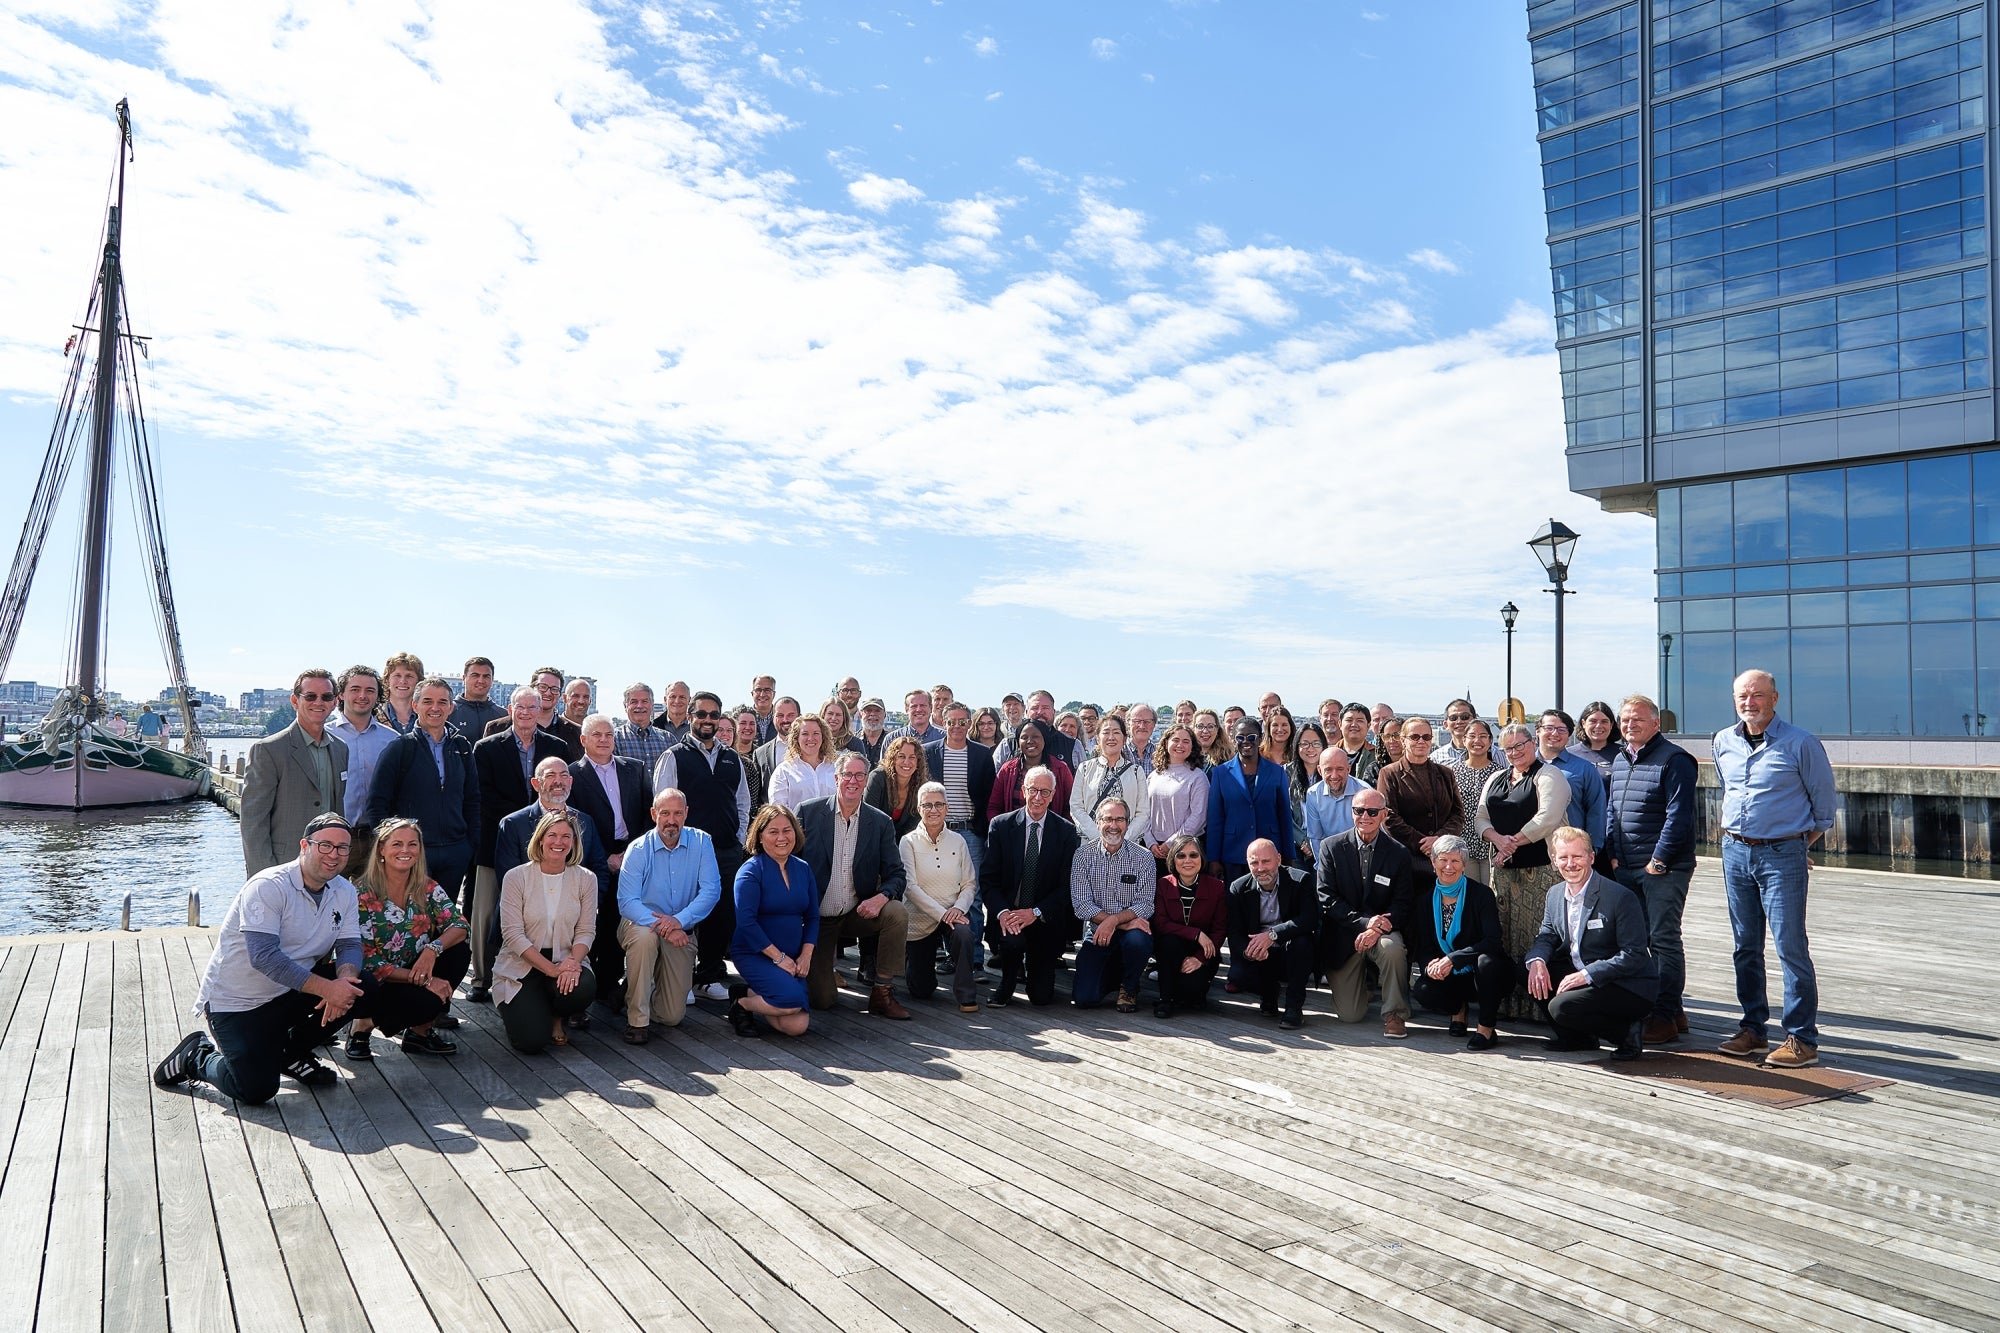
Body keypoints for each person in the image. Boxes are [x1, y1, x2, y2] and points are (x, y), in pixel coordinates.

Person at [155, 814, 375, 1102]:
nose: (334, 854)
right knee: (255, 1089)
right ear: (304, 846)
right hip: (237, 1004)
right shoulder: (268, 886)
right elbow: (264, 957)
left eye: (342, 848)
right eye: (325, 845)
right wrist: (328, 989)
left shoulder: (343, 890)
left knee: (364, 987)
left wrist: (344, 981)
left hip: (289, 992)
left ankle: (290, 1054)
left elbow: (348, 943)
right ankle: (197, 1056)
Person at [1713, 669, 1836, 1070]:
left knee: (1789, 946)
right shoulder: (1723, 741)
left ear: (1775, 698)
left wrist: (1794, 846)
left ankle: (1802, 1038)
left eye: (1757, 695)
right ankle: (1753, 1029)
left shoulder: (1802, 743)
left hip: (1782, 855)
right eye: (1742, 696)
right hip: (1734, 852)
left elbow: (1822, 811)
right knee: (1745, 946)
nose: (1749, 702)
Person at [1605, 694, 1699, 1046]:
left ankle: (1663, 1016)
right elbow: (1613, 812)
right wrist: (1614, 855)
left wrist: (1658, 859)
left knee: (1663, 940)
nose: (1630, 725)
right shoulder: (1620, 759)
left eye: (1638, 719)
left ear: (1656, 723)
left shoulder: (1675, 760)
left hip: (1663, 868)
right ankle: (1672, 1010)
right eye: (1625, 720)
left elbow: (1680, 816)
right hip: (1627, 865)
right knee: (1638, 940)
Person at [468, 688, 572, 994]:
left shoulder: (557, 746)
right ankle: (481, 979)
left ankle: (537, 976)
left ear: (541, 710)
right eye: (520, 707)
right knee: (487, 912)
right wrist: (524, 821)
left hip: (548, 845)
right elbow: (482, 797)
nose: (526, 712)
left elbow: (561, 790)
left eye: (532, 707)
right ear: (511, 710)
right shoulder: (486, 748)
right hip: (496, 842)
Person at [1525, 827, 1659, 1061]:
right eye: (1563, 857)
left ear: (1591, 857)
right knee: (1529, 971)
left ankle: (1627, 1034)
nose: (1570, 864)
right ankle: (1577, 1038)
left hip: (1627, 984)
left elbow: (1634, 954)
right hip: (1585, 971)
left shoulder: (1620, 897)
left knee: (1561, 1006)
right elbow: (1547, 934)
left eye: (1577, 856)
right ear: (1553, 860)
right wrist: (1537, 961)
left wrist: (1586, 975)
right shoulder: (1554, 894)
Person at [654, 692, 752, 1001]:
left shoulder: (731, 757)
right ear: (691, 717)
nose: (707, 720)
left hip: (724, 849)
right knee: (681, 911)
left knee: (721, 914)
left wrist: (737, 840)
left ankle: (708, 976)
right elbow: (662, 805)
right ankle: (676, 979)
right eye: (701, 714)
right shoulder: (674, 755)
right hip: (684, 849)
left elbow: (743, 804)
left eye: (713, 715)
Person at [797, 754, 912, 1018]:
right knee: (823, 1000)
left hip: (856, 913)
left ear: (866, 780)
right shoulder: (808, 812)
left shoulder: (880, 822)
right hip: (817, 920)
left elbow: (897, 874)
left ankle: (882, 992)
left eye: (860, 775)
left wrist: (880, 898)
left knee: (896, 912)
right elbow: (789, 865)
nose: (853, 780)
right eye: (848, 775)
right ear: (836, 778)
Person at [348, 816, 471, 1059]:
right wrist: (424, 980)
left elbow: (459, 925)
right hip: (378, 981)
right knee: (427, 995)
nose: (405, 850)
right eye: (397, 844)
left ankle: (419, 1033)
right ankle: (362, 1026)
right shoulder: (360, 894)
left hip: (416, 969)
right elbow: (366, 960)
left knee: (458, 952)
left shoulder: (426, 886)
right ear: (381, 849)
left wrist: (431, 950)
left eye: (412, 844)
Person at [1479, 721, 1572, 1020]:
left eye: (1521, 745)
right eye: (1508, 748)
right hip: (1504, 875)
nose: (1515, 752)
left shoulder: (1549, 775)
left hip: (1541, 872)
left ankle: (1540, 1006)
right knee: (1505, 936)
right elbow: (1481, 817)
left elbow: (1548, 817)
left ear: (1533, 743)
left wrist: (1512, 844)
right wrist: (1497, 841)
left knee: (1537, 939)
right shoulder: (1495, 777)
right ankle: (1508, 1003)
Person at [614, 789, 721, 1043]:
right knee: (643, 938)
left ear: (686, 814)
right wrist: (666, 926)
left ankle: (633, 989)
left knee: (671, 1015)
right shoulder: (638, 849)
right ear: (654, 814)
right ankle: (636, 1021)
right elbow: (627, 902)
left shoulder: (702, 842)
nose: (671, 820)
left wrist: (679, 921)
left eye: (677, 813)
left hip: (680, 930)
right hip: (642, 924)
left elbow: (711, 890)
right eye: (664, 813)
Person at [495, 809, 599, 1053]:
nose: (559, 842)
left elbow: (586, 929)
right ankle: (525, 1010)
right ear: (540, 839)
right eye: (552, 835)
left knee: (583, 986)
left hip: (565, 960)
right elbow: (512, 934)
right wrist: (551, 970)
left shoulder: (586, 879)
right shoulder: (516, 877)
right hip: (524, 963)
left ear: (574, 842)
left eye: (566, 837)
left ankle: (556, 1018)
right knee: (530, 1042)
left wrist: (573, 962)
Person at [1315, 791, 1417, 1037]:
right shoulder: (1331, 847)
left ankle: (1395, 1014)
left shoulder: (1399, 853)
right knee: (1350, 1016)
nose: (1365, 816)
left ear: (1384, 815)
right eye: (1359, 810)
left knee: (1392, 948)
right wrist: (1364, 923)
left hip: (1381, 931)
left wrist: (1375, 928)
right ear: (1352, 813)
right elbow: (1326, 897)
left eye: (1372, 812)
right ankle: (1366, 984)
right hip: (1343, 935)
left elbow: (1402, 904)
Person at [569, 713, 654, 999]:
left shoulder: (636, 769)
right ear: (584, 740)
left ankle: (617, 983)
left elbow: (647, 815)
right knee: (598, 923)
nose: (604, 740)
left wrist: (631, 853)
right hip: (594, 859)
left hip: (633, 856)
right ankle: (599, 984)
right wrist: (604, 857)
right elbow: (573, 823)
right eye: (597, 735)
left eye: (608, 735)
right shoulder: (572, 775)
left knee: (626, 919)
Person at [980, 765, 1080, 1007]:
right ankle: (1007, 982)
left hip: (1043, 918)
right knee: (1012, 944)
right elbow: (988, 879)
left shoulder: (1066, 832)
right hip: (1010, 914)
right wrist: (1003, 913)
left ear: (1054, 795)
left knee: (1041, 997)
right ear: (1023, 791)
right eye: (1033, 790)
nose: (1038, 797)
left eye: (1045, 792)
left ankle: (1034, 973)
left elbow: (1066, 887)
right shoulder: (1001, 826)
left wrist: (1035, 912)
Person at [239, 669, 347, 877]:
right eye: (310, 696)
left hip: (328, 869)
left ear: (334, 703)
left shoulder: (341, 750)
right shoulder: (269, 750)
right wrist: (262, 876)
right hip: (282, 867)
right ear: (295, 701)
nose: (319, 702)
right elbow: (253, 822)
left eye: (326, 697)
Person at [1410, 837, 1509, 1051]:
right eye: (1443, 860)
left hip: (1482, 973)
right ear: (1433, 862)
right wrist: (1430, 966)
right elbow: (1424, 947)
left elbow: (1492, 941)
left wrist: (1452, 959)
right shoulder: (1425, 901)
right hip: (1451, 976)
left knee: (1486, 963)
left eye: (1455, 861)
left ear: (1464, 864)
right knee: (1423, 989)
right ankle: (1459, 1012)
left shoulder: (1481, 894)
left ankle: (1486, 1029)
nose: (1448, 867)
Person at [728, 804, 817, 1038]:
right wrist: (779, 958)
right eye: (773, 831)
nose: (781, 838)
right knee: (791, 1001)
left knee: (796, 1026)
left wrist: (806, 955)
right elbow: (746, 922)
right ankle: (741, 1005)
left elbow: (812, 916)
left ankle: (749, 994)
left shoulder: (804, 869)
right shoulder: (750, 872)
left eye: (787, 830)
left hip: (793, 956)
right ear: (760, 836)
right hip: (755, 953)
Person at [1068, 796, 1156, 1012]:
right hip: (1098, 932)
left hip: (1131, 934)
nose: (1114, 826)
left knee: (1139, 940)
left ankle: (1130, 986)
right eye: (1108, 819)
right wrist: (1117, 922)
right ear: (1097, 822)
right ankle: (1115, 975)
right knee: (1084, 998)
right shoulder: (1082, 856)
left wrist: (1113, 921)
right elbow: (1081, 905)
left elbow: (1145, 905)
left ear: (1127, 824)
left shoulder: (1143, 857)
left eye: (1120, 820)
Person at [924, 703, 995, 966]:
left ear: (969, 724)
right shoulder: (929, 752)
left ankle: (974, 959)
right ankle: (950, 954)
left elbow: (988, 796)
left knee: (972, 896)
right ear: (943, 722)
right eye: (951, 722)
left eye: (962, 722)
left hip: (970, 832)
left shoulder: (981, 754)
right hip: (937, 832)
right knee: (940, 892)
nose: (956, 727)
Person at [899, 782, 980, 1013]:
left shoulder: (959, 841)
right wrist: (942, 914)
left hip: (953, 915)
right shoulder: (908, 842)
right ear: (918, 808)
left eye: (938, 804)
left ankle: (966, 995)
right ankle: (911, 961)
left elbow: (969, 883)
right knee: (921, 990)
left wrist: (958, 909)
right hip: (920, 920)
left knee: (964, 934)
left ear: (946, 807)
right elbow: (910, 888)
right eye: (927, 805)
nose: (933, 810)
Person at [1227, 839, 1318, 1030]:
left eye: (1266, 861)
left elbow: (1309, 919)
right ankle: (1268, 994)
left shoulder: (1300, 880)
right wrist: (1247, 951)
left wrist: (1272, 935)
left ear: (1278, 859)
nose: (1260, 868)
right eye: (1254, 863)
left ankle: (1294, 1008)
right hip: (1259, 953)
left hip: (1288, 948)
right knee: (1238, 975)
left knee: (1302, 943)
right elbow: (1234, 933)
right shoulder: (1238, 888)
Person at [1373, 717, 1460, 895]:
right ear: (1403, 740)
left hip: (1443, 858)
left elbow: (1457, 814)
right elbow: (1389, 817)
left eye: (1426, 737)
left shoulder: (1445, 774)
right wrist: (1422, 843)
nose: (1421, 741)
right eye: (1414, 737)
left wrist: (1438, 840)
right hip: (1408, 859)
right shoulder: (1389, 774)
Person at [1205, 718, 1293, 885]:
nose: (1246, 742)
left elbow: (1284, 816)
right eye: (1240, 737)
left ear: (1260, 739)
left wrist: (1288, 855)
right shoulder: (1220, 773)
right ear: (1233, 739)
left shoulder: (1277, 772)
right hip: (1233, 853)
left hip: (1269, 853)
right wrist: (1213, 859)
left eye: (1251, 737)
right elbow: (1215, 819)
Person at [1151, 834, 1227, 1018]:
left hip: (1202, 951)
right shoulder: (1163, 884)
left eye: (1193, 855)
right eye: (1181, 855)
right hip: (1172, 949)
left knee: (1193, 996)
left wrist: (1200, 958)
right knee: (1169, 942)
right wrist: (1195, 933)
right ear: (1173, 859)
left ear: (1202, 858)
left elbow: (1220, 930)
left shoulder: (1217, 887)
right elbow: (1160, 924)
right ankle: (1165, 1000)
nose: (1188, 861)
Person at [328, 665, 398, 828]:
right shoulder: (325, 736)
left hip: (379, 835)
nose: (362, 696)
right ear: (341, 694)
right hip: (335, 838)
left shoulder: (392, 740)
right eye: (355, 689)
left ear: (378, 697)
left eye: (370, 690)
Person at [1072, 715, 1150, 848]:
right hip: (1091, 845)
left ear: (1124, 739)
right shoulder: (1085, 768)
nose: (1111, 737)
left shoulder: (1136, 771)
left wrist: (1123, 840)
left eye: (1116, 732)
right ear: (1097, 738)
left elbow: (1143, 812)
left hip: (1127, 846)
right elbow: (1076, 807)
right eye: (1106, 732)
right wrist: (1099, 838)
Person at [1537, 710, 1607, 851]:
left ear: (1569, 735)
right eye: (1549, 728)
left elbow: (1596, 811)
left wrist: (1592, 848)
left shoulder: (1584, 769)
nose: (1555, 733)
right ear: (1538, 731)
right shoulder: (1523, 765)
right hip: (1529, 848)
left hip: (1569, 851)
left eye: (1561, 729)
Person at [1443, 719, 1501, 881]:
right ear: (1464, 740)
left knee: (1493, 896)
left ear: (1490, 741)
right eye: (1472, 736)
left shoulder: (1501, 773)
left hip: (1492, 846)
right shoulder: (1452, 772)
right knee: (1471, 896)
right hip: (1462, 845)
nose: (1477, 741)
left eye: (1483, 736)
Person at [484, 667, 582, 760]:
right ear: (531, 688)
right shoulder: (496, 728)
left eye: (554, 689)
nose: (548, 693)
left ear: (560, 694)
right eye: (543, 687)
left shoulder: (575, 732)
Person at [1144, 724, 1210, 862]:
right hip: (1153, 849)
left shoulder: (1198, 777)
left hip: (1185, 850)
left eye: (1186, 741)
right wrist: (1150, 841)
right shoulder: (1154, 776)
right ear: (1166, 742)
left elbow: (1199, 816)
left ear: (1192, 747)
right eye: (1176, 740)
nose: (1180, 745)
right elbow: (1144, 812)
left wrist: (1171, 844)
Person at [988, 719, 1074, 820]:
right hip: (1012, 832)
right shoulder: (1007, 770)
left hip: (1053, 833)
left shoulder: (1060, 769)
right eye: (1024, 737)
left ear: (1044, 739)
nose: (1030, 741)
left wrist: (1063, 832)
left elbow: (1070, 807)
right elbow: (994, 807)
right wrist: (1001, 830)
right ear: (1018, 741)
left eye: (1035, 737)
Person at [1302, 746, 1370, 849]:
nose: (1334, 776)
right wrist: (1323, 864)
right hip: (1329, 856)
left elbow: (1369, 835)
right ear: (1320, 771)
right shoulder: (1313, 794)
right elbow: (1316, 837)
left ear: (1348, 769)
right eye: (1328, 770)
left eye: (1340, 769)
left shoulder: (1364, 792)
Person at [769, 714, 840, 811]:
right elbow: (778, 808)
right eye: (805, 734)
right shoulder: (784, 771)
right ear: (796, 738)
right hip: (797, 825)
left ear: (823, 737)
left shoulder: (836, 768)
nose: (810, 738)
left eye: (816, 733)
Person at [866, 735, 930, 839]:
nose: (906, 762)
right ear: (893, 758)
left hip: (904, 842)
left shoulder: (921, 785)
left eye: (912, 757)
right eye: (901, 756)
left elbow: (914, 825)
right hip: (874, 838)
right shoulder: (877, 778)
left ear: (918, 762)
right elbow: (869, 817)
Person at [1287, 722, 1328, 865]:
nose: (1310, 749)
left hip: (1326, 842)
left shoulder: (1331, 773)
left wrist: (1319, 841)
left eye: (1316, 744)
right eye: (1304, 743)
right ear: (1296, 746)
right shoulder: (1285, 773)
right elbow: (1282, 811)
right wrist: (1303, 841)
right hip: (1295, 843)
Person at [614, 683, 678, 770]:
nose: (639, 706)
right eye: (634, 702)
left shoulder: (669, 740)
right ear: (625, 706)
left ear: (652, 705)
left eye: (644, 701)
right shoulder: (614, 739)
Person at [1571, 701, 1623, 788]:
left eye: (1604, 721)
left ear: (1611, 725)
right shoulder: (1569, 755)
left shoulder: (1624, 755)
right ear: (1583, 723)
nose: (1598, 726)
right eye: (1593, 721)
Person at [449, 657, 505, 738]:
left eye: (486, 676)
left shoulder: (503, 715)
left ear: (492, 680)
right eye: (475, 675)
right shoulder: (448, 711)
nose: (481, 681)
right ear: (464, 678)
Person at [730, 707, 772, 812]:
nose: (748, 727)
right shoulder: (728, 756)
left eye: (752, 723)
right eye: (743, 723)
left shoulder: (763, 755)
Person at [752, 696, 802, 776]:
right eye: (780, 715)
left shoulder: (813, 748)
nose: (785, 720)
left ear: (799, 717)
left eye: (790, 715)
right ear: (773, 718)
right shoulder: (759, 754)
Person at [1334, 704, 1382, 783]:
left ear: (1368, 726)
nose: (1354, 725)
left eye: (1360, 720)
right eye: (1349, 720)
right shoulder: (1328, 754)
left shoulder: (1378, 756)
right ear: (1340, 724)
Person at [379, 652, 424, 735]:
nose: (403, 681)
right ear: (387, 680)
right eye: (397, 675)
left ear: (418, 681)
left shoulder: (427, 716)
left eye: (409, 676)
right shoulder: (373, 716)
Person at [1435, 699, 1478, 766]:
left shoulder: (1494, 754)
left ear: (1475, 721)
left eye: (1465, 717)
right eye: (1453, 718)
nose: (1459, 721)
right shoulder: (1436, 758)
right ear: (1446, 724)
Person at [654, 681, 694, 745]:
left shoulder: (697, 726)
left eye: (682, 697)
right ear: (665, 700)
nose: (677, 701)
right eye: (673, 696)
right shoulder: (653, 726)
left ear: (689, 700)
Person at [856, 697, 893, 768]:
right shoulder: (853, 741)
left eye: (877, 711)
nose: (872, 714)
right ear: (860, 715)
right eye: (868, 710)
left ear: (885, 715)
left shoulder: (893, 741)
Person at [1125, 704, 1158, 775]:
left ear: (1154, 725)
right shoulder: (1118, 752)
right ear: (1128, 724)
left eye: (1147, 722)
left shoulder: (1161, 754)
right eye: (1137, 721)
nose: (1142, 726)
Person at [750, 674, 780, 744]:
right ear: (752, 694)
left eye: (767, 690)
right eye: (758, 690)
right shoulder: (742, 720)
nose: (762, 694)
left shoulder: (781, 720)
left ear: (774, 694)